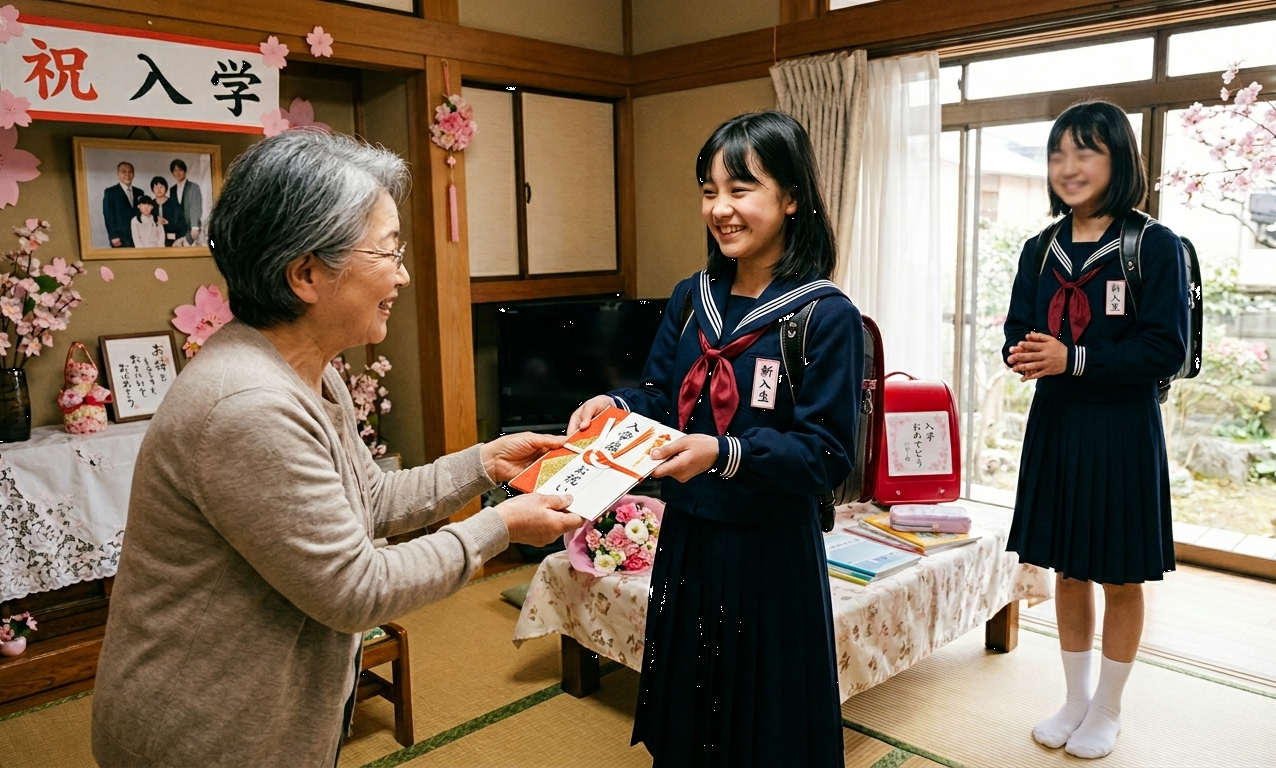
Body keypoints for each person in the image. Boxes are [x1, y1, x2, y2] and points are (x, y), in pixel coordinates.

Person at [91, 129, 585, 767]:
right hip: (203, 730)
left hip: (268, 714)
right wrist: (501, 525)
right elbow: (356, 585)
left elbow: (369, 499)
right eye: (388, 252)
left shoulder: (308, 368)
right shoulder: (248, 406)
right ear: (305, 274)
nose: (403, 276)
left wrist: (484, 464)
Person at [568, 111, 864, 768]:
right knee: (689, 719)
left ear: (790, 197)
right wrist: (612, 407)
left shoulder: (825, 315)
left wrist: (723, 454)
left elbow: (827, 454)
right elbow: (658, 398)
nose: (721, 208)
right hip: (690, 540)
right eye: (709, 191)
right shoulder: (690, 298)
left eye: (741, 189)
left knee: (768, 730)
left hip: (771, 555)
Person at [1002, 100, 1189, 760]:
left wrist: (1073, 358)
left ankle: (1108, 709)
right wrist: (1022, 353)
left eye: (1086, 152)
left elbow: (1164, 348)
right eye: (1058, 154)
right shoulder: (1040, 248)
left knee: (1120, 575)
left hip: (1122, 429)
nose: (1068, 167)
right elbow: (1015, 329)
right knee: (1070, 571)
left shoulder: (1152, 246)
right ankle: (1076, 699)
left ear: (1119, 160)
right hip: (1057, 424)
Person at [102, 161, 144, 248]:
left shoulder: (139, 192)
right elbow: (108, 215)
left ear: (134, 174)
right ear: (118, 174)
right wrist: (113, 236)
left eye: (130, 172)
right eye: (124, 171)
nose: (127, 174)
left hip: (139, 236)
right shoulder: (110, 192)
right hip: (120, 238)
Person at [171, 158, 204, 245]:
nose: (178, 173)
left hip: (190, 229)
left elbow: (196, 208)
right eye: (175, 170)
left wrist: (195, 227)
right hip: (177, 229)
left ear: (185, 171)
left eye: (180, 170)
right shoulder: (172, 189)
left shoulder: (194, 187)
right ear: (172, 173)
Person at [149, 175, 187, 247]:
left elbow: (181, 223)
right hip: (154, 242)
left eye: (161, 187)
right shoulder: (150, 205)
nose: (159, 190)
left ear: (166, 189)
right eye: (156, 187)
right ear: (152, 190)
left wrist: (168, 223)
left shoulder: (174, 204)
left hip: (172, 241)